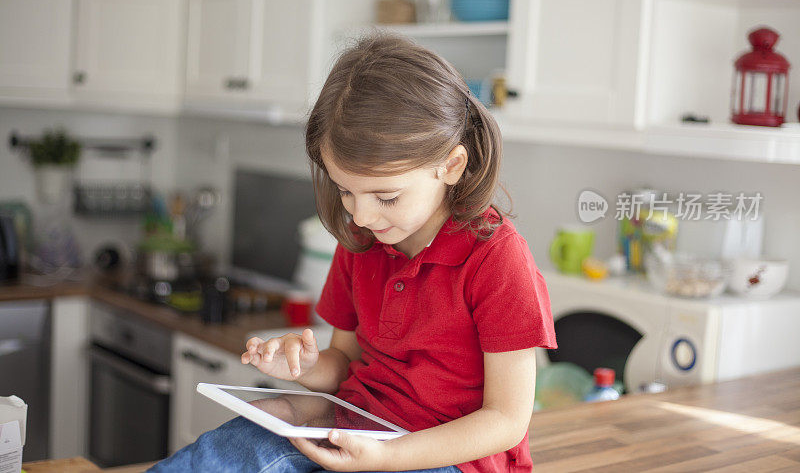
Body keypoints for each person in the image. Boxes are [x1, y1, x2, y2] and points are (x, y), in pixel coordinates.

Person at [148, 33, 557, 473]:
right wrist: (306, 367)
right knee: (223, 453)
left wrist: (386, 458)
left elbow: (506, 421)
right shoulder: (365, 241)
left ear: (451, 166)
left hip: (446, 460)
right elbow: (345, 364)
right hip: (358, 430)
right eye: (346, 191)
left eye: (385, 196)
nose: (360, 216)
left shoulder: (496, 259)